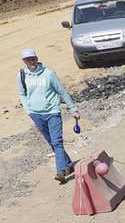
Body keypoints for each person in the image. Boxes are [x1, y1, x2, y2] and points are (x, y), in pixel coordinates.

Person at [17, 48, 79, 183]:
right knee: (51, 142)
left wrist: (73, 108)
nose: (31, 61)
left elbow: (62, 92)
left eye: (33, 58)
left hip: (52, 112)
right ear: (24, 61)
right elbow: (22, 93)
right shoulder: (22, 75)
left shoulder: (49, 74)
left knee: (57, 141)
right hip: (36, 114)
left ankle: (61, 171)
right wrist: (28, 110)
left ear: (37, 58)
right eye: (28, 59)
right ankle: (68, 164)